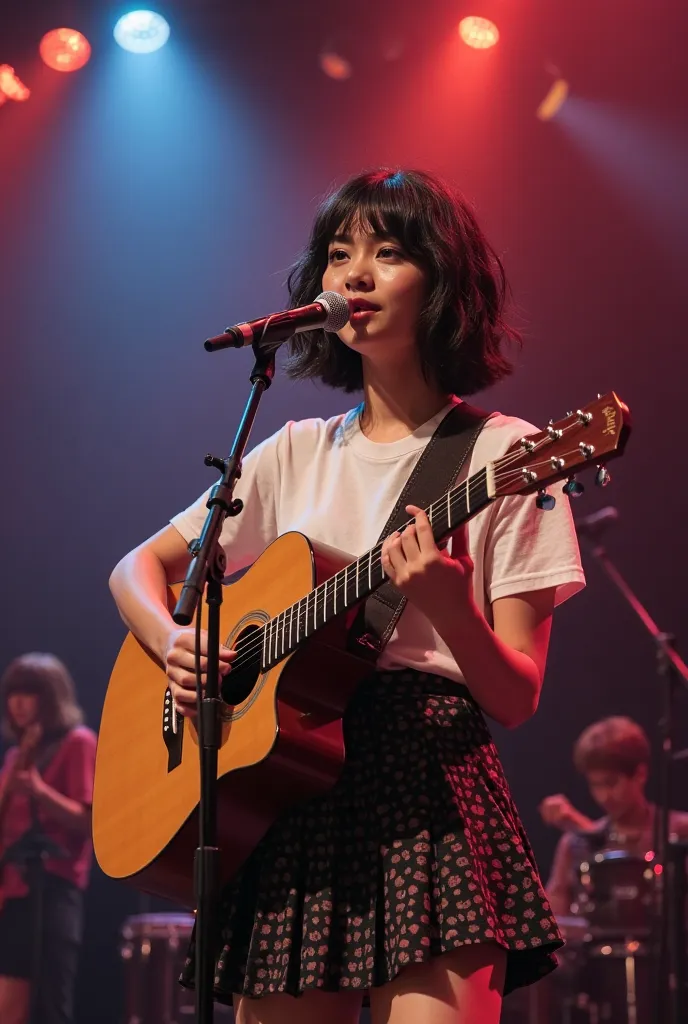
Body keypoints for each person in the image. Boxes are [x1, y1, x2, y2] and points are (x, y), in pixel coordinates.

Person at [109, 168, 585, 1024]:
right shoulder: (295, 450)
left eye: (388, 252)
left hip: (428, 788)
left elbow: (517, 694)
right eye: (338, 254)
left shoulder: (509, 457)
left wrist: (450, 608)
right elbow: (136, 569)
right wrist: (172, 641)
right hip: (287, 794)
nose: (353, 275)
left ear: (442, 284)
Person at [0, 653, 97, 1024]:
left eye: (29, 693)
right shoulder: (16, 756)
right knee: (11, 1004)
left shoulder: (79, 743)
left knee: (51, 1004)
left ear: (50, 697)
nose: (18, 703)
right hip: (14, 893)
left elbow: (89, 823)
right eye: (13, 694)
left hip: (54, 890)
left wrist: (39, 790)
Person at [541, 715, 688, 918]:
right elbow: (554, 924)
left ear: (640, 774)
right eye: (595, 785)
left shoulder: (679, 832)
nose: (603, 796)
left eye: (611, 783)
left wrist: (587, 830)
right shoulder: (575, 844)